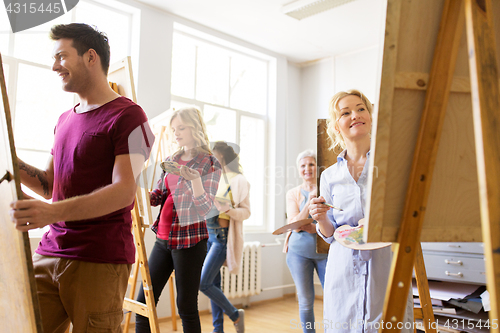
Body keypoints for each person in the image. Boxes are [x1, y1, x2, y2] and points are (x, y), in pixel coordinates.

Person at [9, 23, 154, 333]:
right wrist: (9, 160)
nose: (54, 66)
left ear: (91, 57)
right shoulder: (64, 119)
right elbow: (50, 185)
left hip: (99, 259)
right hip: (49, 252)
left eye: (61, 56)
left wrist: (51, 212)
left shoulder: (130, 117)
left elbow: (123, 191)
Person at [309, 89, 413, 333]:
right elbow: (329, 233)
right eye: (345, 112)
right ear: (336, 126)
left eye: (360, 108)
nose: (355, 115)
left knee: (387, 324)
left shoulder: (390, 165)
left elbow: (407, 215)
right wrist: (321, 217)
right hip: (343, 265)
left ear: (370, 116)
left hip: (384, 261)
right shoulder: (329, 176)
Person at [135, 106, 221, 333]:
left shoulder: (209, 162)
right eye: (174, 129)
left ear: (195, 127)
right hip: (163, 239)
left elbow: (205, 208)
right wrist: (139, 189)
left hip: (190, 243)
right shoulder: (171, 159)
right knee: (143, 303)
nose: (176, 133)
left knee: (186, 307)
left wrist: (195, 182)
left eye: (181, 128)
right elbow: (158, 196)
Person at [199, 141, 251, 333]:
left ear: (222, 157)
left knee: (203, 283)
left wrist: (228, 209)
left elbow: (246, 212)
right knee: (213, 285)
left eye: (214, 156)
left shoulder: (239, 181)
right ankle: (217, 329)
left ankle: (235, 315)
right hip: (208, 236)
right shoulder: (211, 178)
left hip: (222, 238)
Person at [284, 149, 327, 333]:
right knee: (306, 302)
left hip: (325, 252)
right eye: (303, 165)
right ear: (298, 169)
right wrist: (309, 203)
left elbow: (333, 221)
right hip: (298, 253)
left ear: (317, 167)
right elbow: (294, 225)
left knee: (334, 297)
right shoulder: (293, 193)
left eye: (311, 164)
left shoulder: (327, 189)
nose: (307, 168)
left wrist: (315, 228)